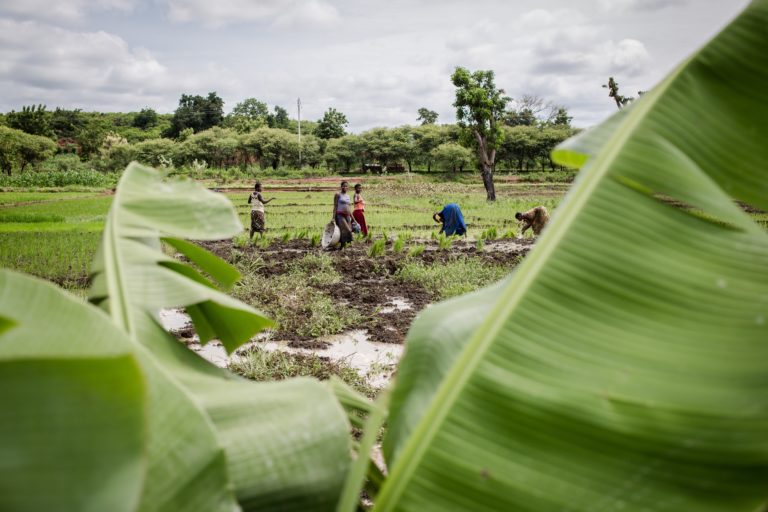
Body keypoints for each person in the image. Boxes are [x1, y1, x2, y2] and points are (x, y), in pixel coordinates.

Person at [333, 181, 354, 247]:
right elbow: (335, 206)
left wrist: (354, 219)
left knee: (349, 230)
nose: (345, 187)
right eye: (343, 186)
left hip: (347, 215)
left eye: (346, 186)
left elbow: (349, 208)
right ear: (341, 187)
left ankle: (344, 245)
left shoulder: (348, 196)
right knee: (346, 229)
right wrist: (333, 217)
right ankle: (344, 244)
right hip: (340, 215)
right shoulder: (338, 194)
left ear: (348, 187)